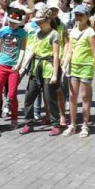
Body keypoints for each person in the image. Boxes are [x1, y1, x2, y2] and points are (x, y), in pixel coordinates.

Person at [19, 8, 61, 136]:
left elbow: (55, 55)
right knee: (28, 97)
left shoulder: (54, 34)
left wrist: (54, 74)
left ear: (48, 20)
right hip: (36, 68)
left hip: (48, 69)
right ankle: (28, 123)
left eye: (40, 21)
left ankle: (55, 124)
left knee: (50, 99)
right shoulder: (37, 33)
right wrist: (23, 66)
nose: (37, 23)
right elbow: (32, 50)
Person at [63, 5, 95, 137]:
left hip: (86, 67)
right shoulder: (72, 32)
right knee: (72, 97)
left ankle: (85, 125)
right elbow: (69, 51)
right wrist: (64, 66)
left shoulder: (90, 32)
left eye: (81, 15)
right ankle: (72, 124)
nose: (78, 17)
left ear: (87, 16)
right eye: (77, 15)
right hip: (74, 67)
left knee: (85, 97)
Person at [0, 8, 28, 129]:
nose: (12, 24)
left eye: (15, 22)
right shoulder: (4, 30)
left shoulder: (22, 33)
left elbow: (23, 48)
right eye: (10, 21)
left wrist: (19, 63)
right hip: (1, 65)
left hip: (13, 67)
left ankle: (14, 118)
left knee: (12, 95)